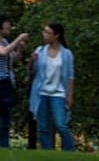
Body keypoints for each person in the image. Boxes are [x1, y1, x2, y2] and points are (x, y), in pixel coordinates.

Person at [29, 22, 76, 151]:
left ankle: (70, 151)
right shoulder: (40, 51)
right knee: (43, 127)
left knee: (61, 124)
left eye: (48, 33)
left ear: (57, 35)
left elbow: (70, 76)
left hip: (59, 93)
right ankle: (47, 152)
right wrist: (32, 60)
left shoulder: (66, 54)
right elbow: (32, 71)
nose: (45, 35)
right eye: (44, 32)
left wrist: (70, 96)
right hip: (41, 93)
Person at [0, 13, 30, 148]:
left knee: (6, 122)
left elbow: (13, 58)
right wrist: (18, 39)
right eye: (6, 23)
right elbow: (3, 52)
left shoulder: (4, 42)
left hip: (7, 86)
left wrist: (20, 50)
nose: (9, 25)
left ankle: (4, 150)